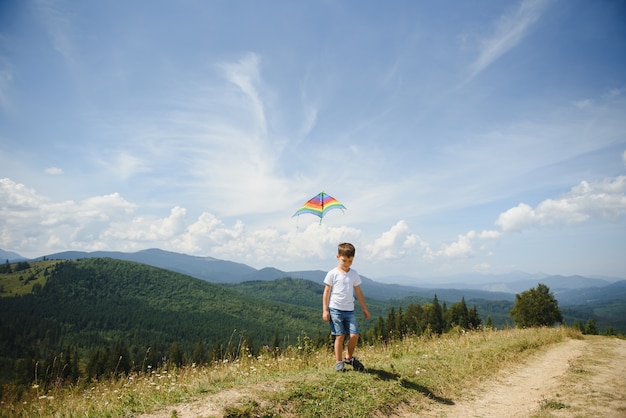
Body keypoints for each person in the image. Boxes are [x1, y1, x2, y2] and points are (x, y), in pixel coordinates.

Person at [322, 242, 371, 372]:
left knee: (354, 335)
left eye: (350, 260)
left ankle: (348, 358)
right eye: (344, 260)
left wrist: (364, 308)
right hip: (335, 309)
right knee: (340, 336)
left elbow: (359, 292)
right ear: (337, 257)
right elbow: (326, 292)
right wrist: (325, 310)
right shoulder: (332, 273)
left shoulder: (354, 274)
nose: (347, 263)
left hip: (350, 310)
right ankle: (339, 362)